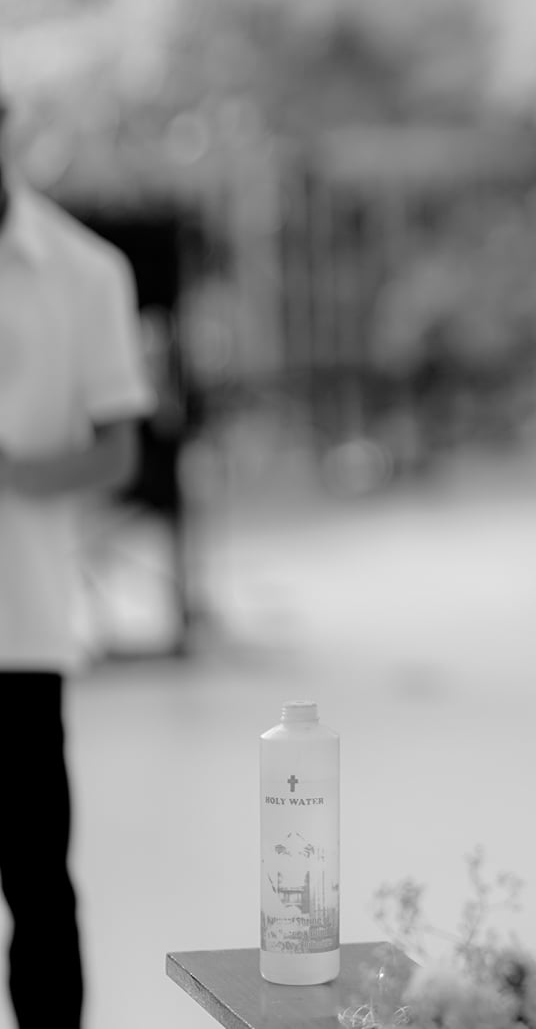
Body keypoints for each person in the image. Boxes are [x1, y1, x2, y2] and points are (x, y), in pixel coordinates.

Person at [0, 86, 156, 1029]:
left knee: (36, 883)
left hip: (19, 623)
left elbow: (119, 452)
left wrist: (16, 471)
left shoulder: (83, 272)